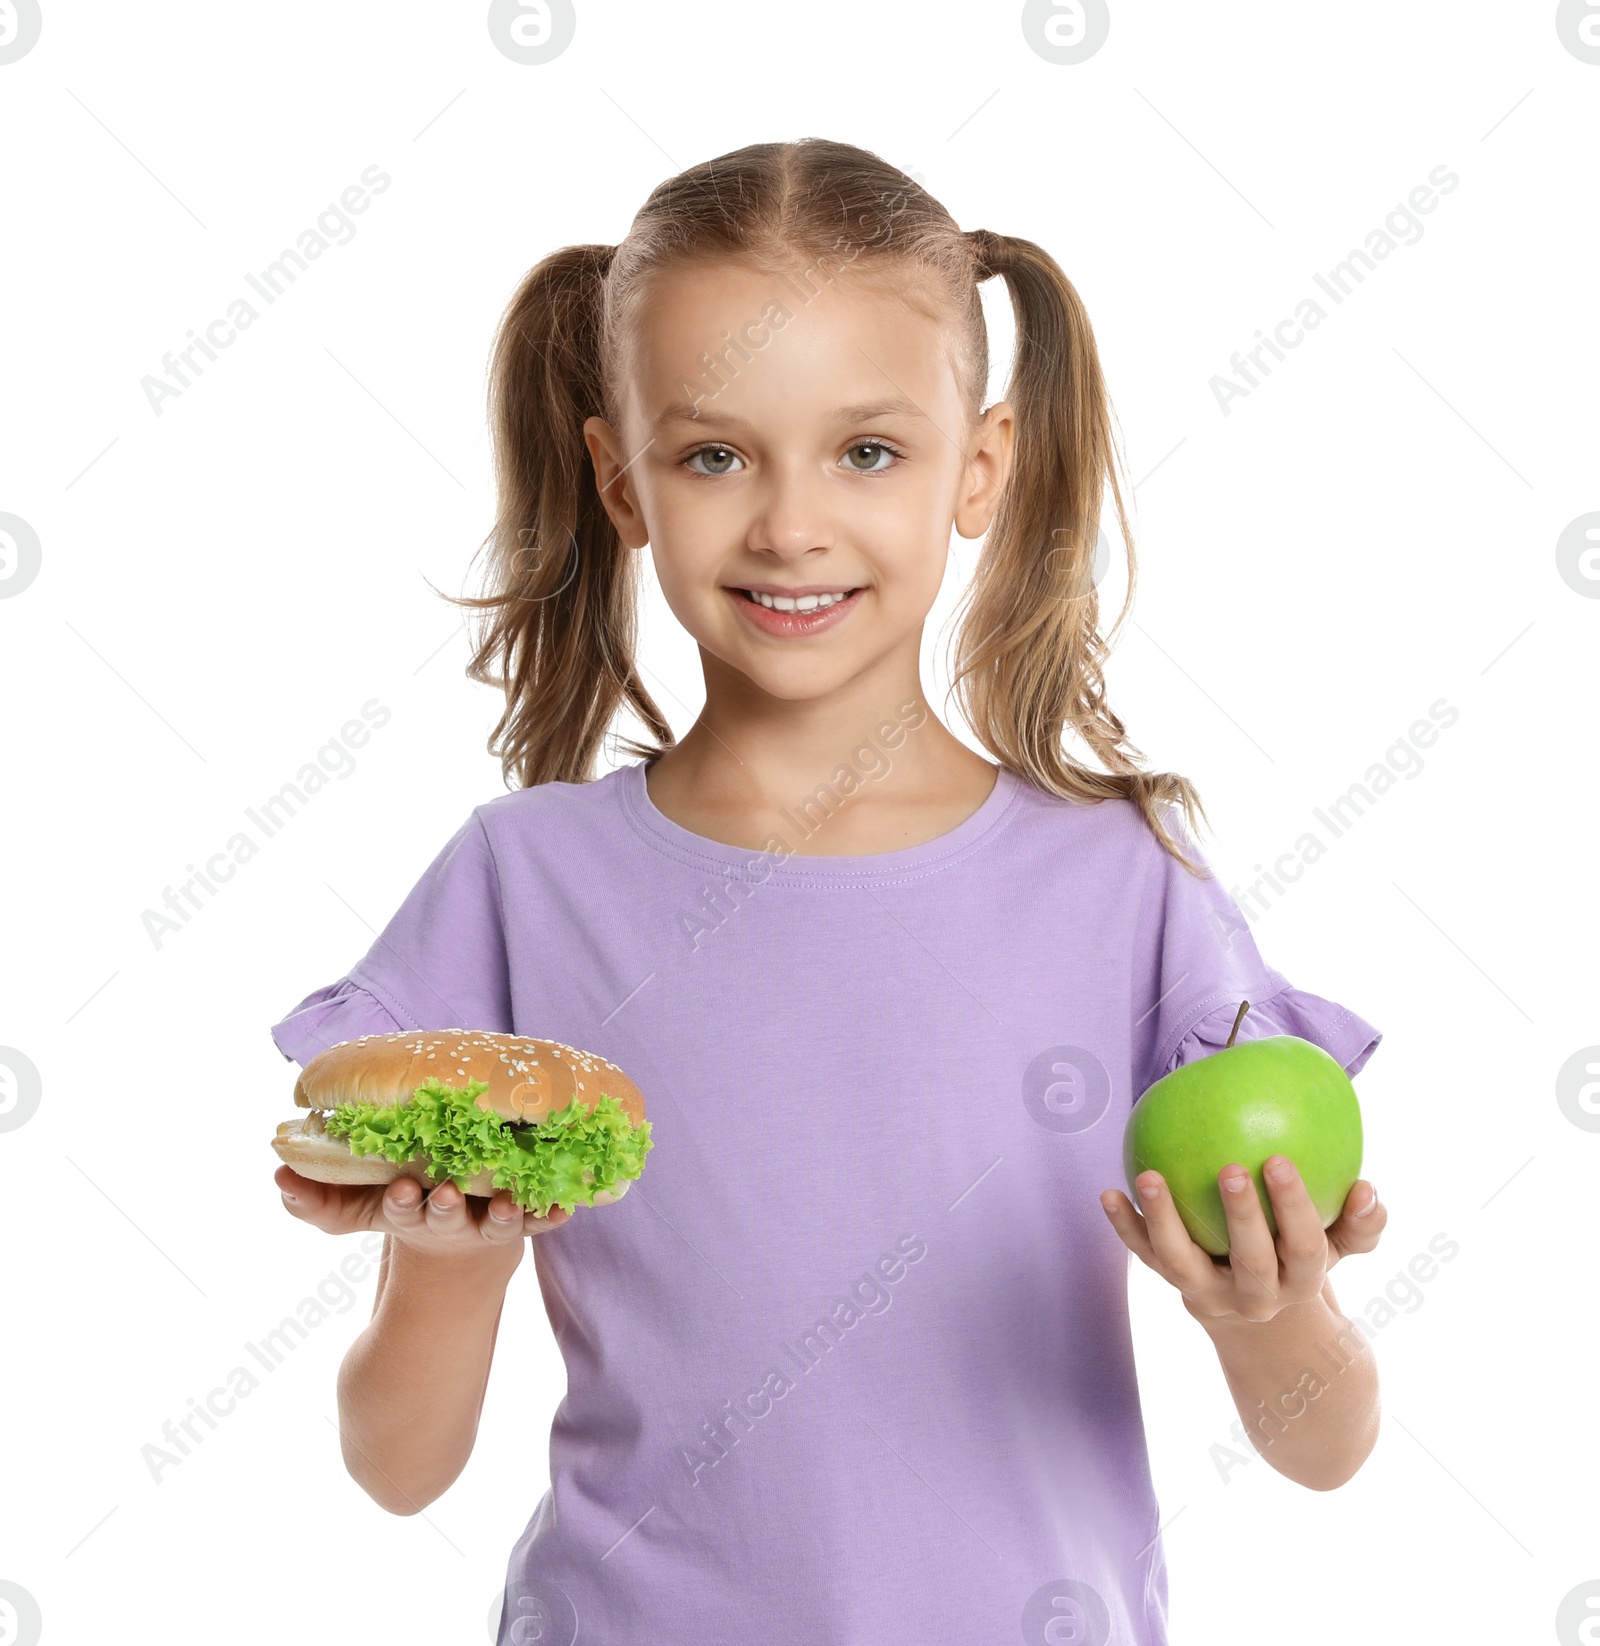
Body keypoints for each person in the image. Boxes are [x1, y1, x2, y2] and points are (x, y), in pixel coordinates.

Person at [269, 137, 1386, 1645]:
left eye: (868, 451)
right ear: (623, 479)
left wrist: (1271, 1314)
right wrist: (450, 1263)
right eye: (715, 454)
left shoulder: (1121, 882)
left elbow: (1327, 1447)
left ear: (978, 468)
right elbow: (399, 1469)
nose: (790, 525)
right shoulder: (526, 881)